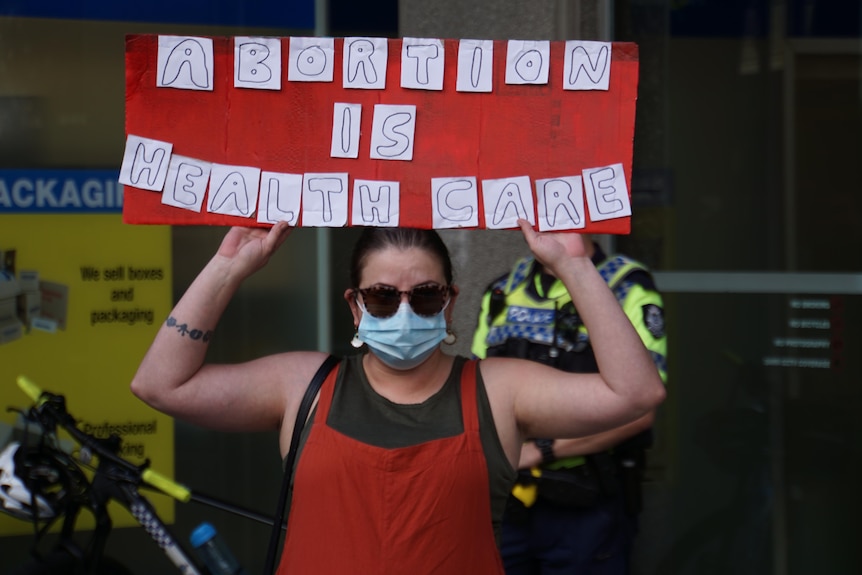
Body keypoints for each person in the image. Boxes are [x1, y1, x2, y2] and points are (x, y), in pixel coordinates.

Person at [130, 219, 665, 575]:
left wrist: (573, 265)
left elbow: (636, 392)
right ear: (355, 306)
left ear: (450, 302)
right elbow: (160, 385)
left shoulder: (497, 389)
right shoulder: (303, 385)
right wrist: (229, 267)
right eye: (383, 296)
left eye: (425, 294)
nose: (404, 311)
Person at [471, 234, 668, 575]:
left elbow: (641, 411)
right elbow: (475, 393)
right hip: (508, 503)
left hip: (586, 503)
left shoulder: (626, 286)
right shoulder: (503, 290)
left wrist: (539, 452)